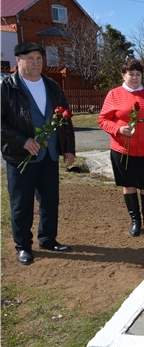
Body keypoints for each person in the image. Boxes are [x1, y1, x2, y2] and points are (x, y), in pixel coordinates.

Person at [1, 41, 76, 265]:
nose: (36, 62)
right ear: (18, 61)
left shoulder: (53, 86)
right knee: (22, 204)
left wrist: (69, 148)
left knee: (50, 201)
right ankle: (23, 246)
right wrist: (23, 140)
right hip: (20, 157)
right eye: (30, 58)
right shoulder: (7, 88)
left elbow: (65, 119)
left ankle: (48, 239)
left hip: (50, 156)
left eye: (39, 58)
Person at [99, 58, 144, 237]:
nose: (135, 77)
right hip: (122, 150)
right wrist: (118, 129)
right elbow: (103, 119)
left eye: (138, 74)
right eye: (131, 74)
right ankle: (135, 221)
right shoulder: (114, 94)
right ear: (123, 75)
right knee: (129, 185)